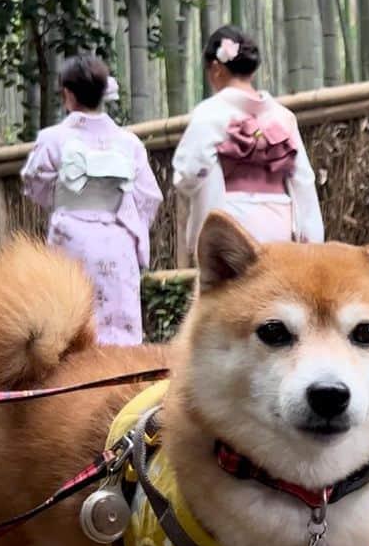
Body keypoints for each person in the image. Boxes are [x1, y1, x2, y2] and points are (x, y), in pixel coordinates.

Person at [21, 54, 162, 346]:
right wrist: (126, 218)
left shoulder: (53, 139)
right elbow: (149, 197)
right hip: (117, 239)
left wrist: (64, 200)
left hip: (71, 236)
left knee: (71, 318)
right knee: (118, 324)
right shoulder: (129, 142)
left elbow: (35, 183)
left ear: (68, 94)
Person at [173, 26, 325, 255]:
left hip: (230, 219)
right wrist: (312, 236)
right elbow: (302, 179)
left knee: (235, 287)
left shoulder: (209, 113)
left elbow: (189, 173)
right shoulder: (283, 116)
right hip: (280, 220)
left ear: (216, 69)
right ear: (251, 71)